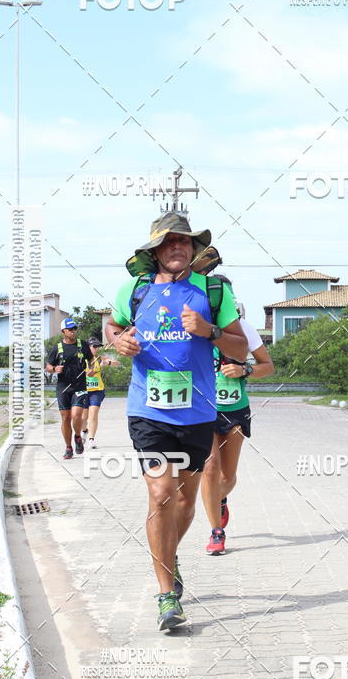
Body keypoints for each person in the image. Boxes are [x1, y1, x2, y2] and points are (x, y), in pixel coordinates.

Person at [105, 212, 247, 632]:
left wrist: (210, 331)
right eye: (169, 243)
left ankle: (170, 555)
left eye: (184, 242)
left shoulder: (213, 290)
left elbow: (240, 346)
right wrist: (119, 341)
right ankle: (167, 595)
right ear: (155, 251)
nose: (177, 248)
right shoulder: (135, 290)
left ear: (193, 249)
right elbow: (111, 326)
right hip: (148, 410)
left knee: (185, 501)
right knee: (162, 493)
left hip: (198, 412)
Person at [201, 286, 274, 555]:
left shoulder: (243, 328)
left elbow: (268, 366)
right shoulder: (196, 327)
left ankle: (220, 498)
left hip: (234, 409)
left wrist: (245, 369)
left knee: (227, 477)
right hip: (203, 409)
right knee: (209, 468)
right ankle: (216, 532)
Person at [45, 318, 93, 460]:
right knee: (65, 418)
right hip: (63, 387)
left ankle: (77, 436)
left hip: (80, 386)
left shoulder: (82, 345)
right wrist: (54, 369)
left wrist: (90, 369)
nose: (73, 331)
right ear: (63, 331)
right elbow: (48, 366)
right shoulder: (56, 348)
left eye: (74, 329)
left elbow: (91, 360)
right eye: (70, 329)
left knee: (76, 415)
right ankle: (68, 447)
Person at [81, 337, 120, 450]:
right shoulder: (81, 359)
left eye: (98, 347)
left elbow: (117, 363)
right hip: (84, 391)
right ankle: (85, 431)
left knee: (93, 414)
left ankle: (91, 440)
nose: (96, 349)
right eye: (94, 346)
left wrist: (107, 363)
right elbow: (88, 374)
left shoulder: (99, 358)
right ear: (87, 347)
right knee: (83, 418)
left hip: (97, 391)